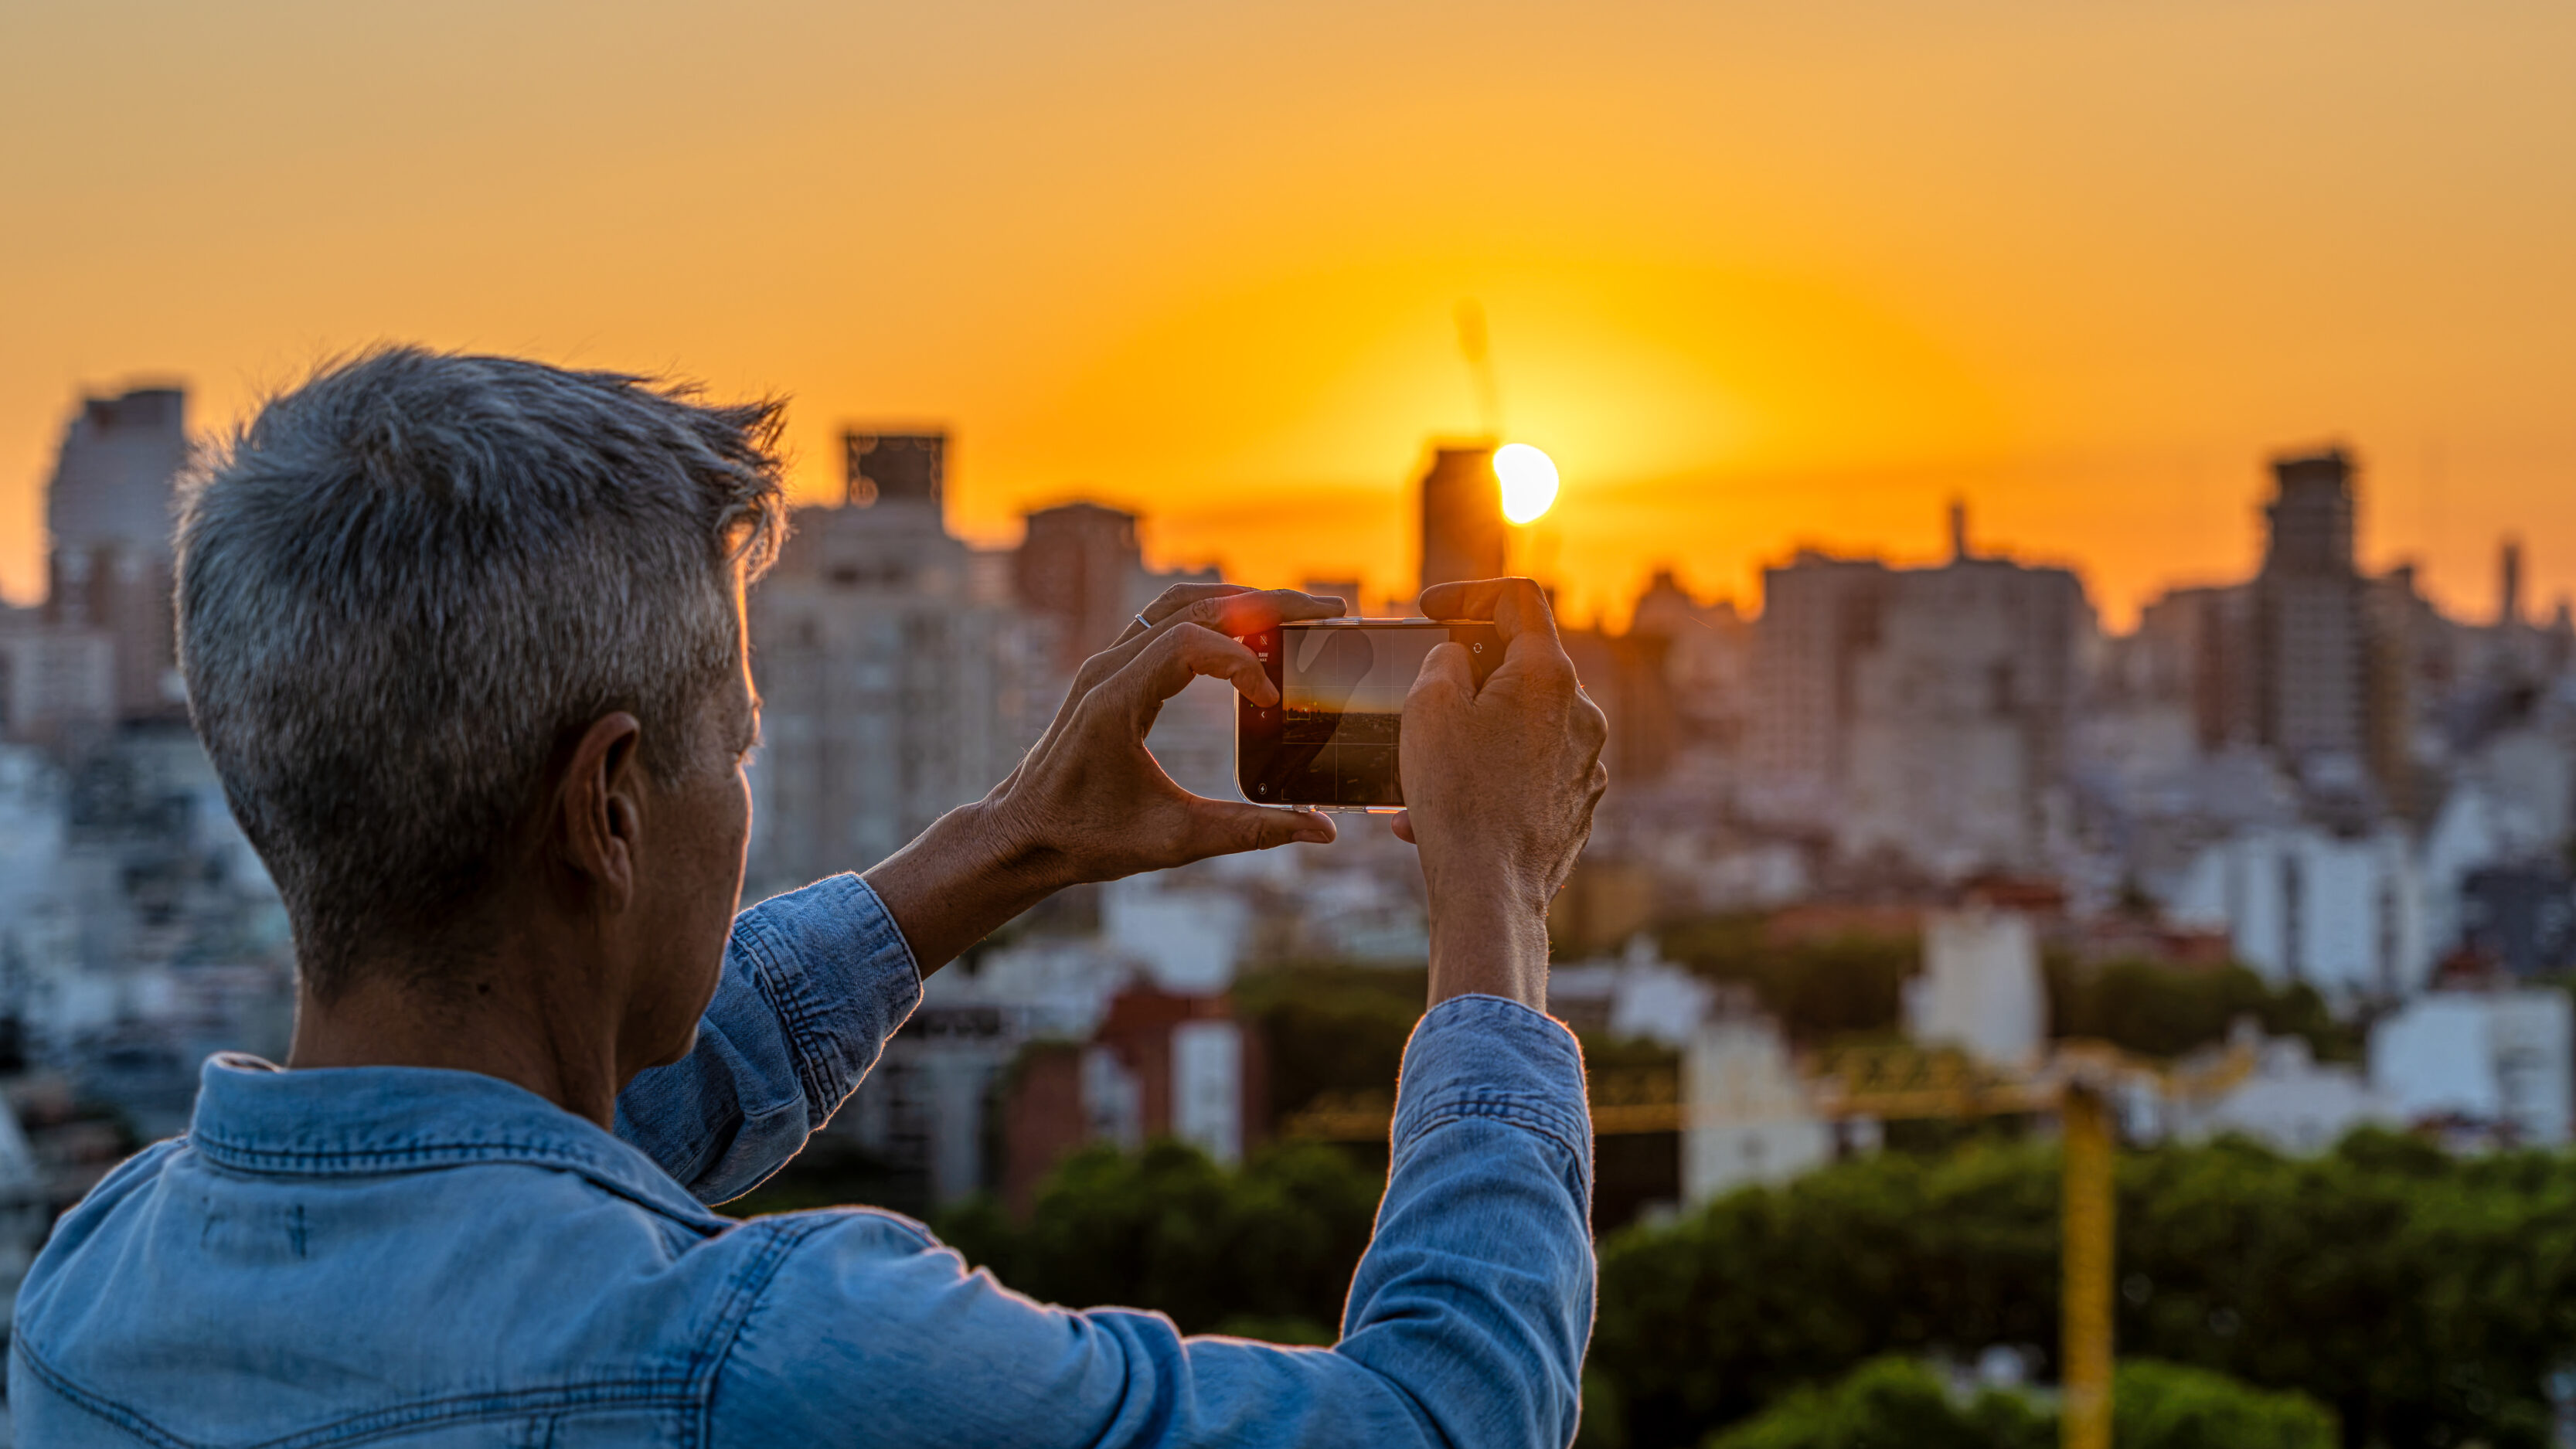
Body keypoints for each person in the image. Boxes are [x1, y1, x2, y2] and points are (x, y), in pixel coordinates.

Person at [9, 349, 1611, 1448]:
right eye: (738, 747)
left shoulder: (97, 1282)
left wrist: (1008, 846)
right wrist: (1498, 903)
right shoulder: (773, 1355)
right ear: (611, 802)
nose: (745, 789)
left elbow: (521, 1171)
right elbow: (1438, 1416)